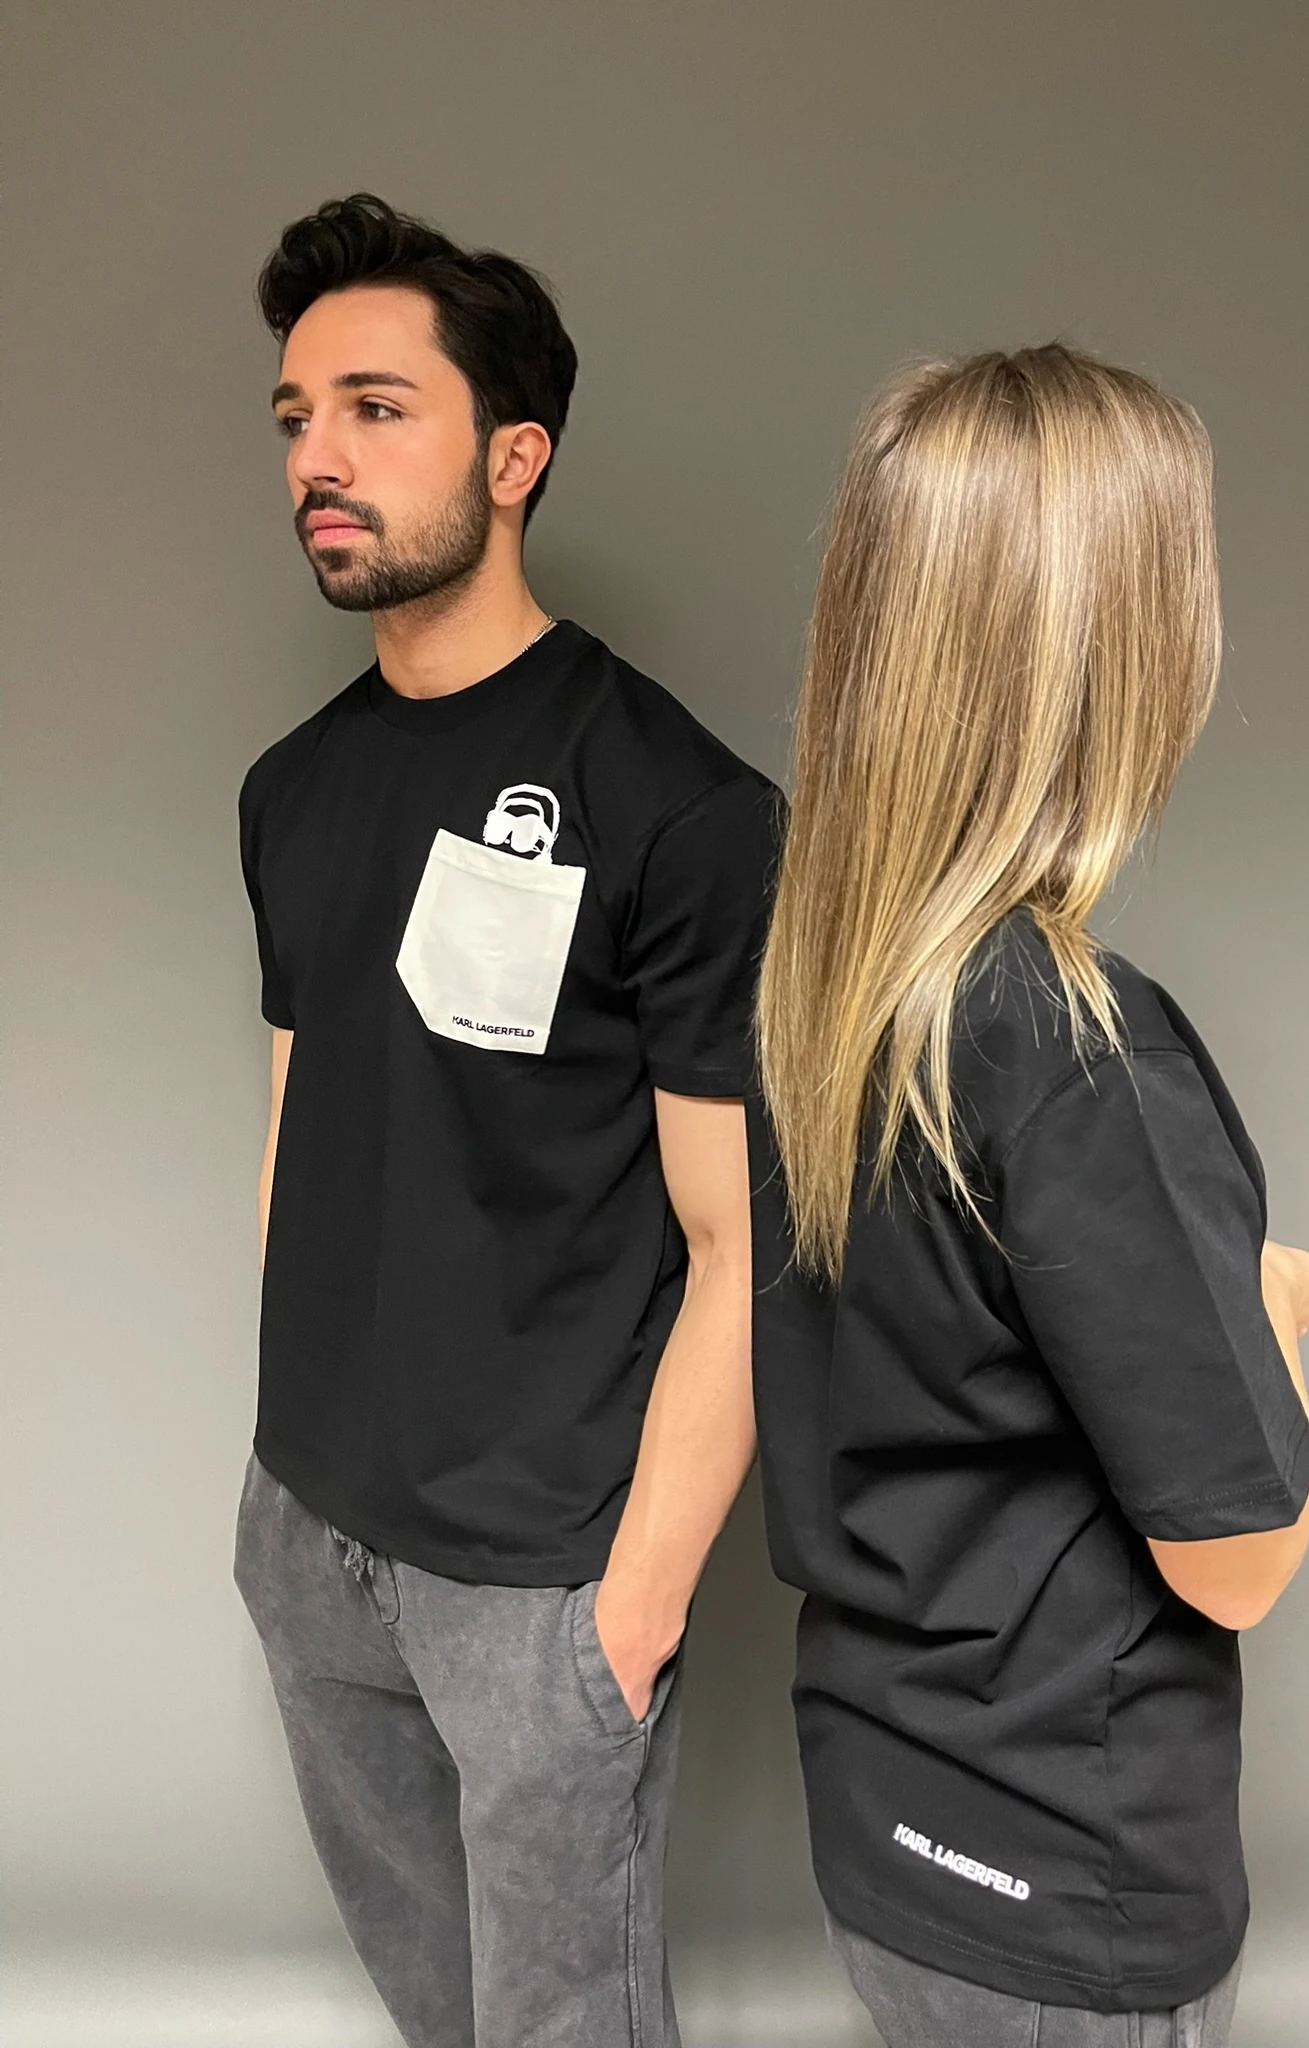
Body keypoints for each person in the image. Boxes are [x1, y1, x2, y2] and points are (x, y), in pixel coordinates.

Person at [233, 194, 779, 2048]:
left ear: (514, 456)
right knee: (437, 2013)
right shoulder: (292, 791)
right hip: (314, 1537)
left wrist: (631, 1612)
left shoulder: (680, 809)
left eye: (376, 409)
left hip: (541, 1575)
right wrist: (286, 1481)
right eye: (297, 415)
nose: (318, 457)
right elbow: (303, 1134)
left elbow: (741, 1247)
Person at [750, 345, 1309, 2048]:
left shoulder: (816, 988)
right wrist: (1274, 1314)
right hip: (1064, 1890)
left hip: (881, 1831)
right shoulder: (1080, 1052)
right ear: (1121, 650)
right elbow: (1242, 1561)